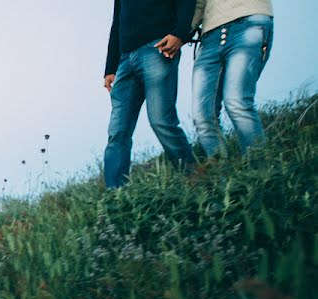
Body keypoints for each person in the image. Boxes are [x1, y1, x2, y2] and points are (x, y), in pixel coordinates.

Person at [103, 0, 197, 188]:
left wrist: (180, 33)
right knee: (117, 132)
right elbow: (117, 22)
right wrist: (110, 68)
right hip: (125, 59)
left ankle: (195, 178)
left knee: (161, 120)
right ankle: (115, 197)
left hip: (156, 47)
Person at [191, 0, 274, 157]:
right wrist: (179, 33)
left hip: (249, 20)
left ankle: (260, 171)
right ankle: (220, 173)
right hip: (210, 35)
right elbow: (199, 4)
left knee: (237, 102)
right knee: (202, 114)